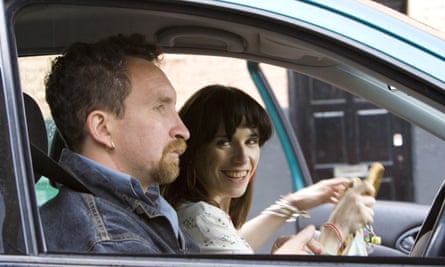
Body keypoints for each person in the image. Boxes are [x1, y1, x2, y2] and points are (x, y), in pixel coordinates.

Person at [162, 84, 376, 255]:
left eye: (251, 141)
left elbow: (234, 244)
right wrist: (338, 228)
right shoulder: (198, 217)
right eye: (224, 142)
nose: (242, 157)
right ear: (193, 150)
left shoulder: (199, 214)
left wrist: (292, 204)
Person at [39, 34, 198, 254]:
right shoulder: (111, 243)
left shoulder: (140, 206)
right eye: (160, 108)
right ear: (103, 129)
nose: (183, 131)